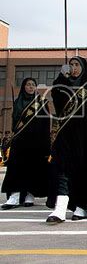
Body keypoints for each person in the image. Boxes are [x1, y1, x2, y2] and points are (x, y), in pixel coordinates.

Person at [47, 56, 87, 223]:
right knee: (62, 170)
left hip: (84, 137)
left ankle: (81, 206)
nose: (73, 68)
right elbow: (56, 98)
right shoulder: (63, 86)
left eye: (77, 64)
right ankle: (60, 208)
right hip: (65, 135)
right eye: (71, 65)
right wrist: (61, 77)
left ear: (84, 67)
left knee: (81, 172)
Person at [1, 78, 50, 209]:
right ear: (23, 87)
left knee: (33, 169)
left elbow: (46, 124)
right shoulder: (18, 102)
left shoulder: (42, 103)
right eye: (28, 85)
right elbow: (14, 123)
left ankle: (30, 195)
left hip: (36, 142)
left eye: (33, 85)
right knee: (16, 168)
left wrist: (46, 144)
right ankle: (15, 196)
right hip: (19, 141)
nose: (31, 87)